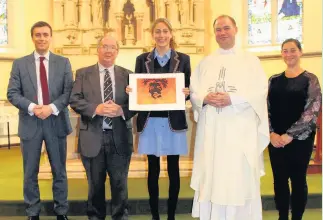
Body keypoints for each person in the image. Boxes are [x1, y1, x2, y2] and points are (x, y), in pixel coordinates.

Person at [190, 15, 270, 220]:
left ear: (236, 29)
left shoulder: (251, 61)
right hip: (213, 133)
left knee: (237, 176)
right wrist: (205, 98)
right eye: (218, 29)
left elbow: (260, 92)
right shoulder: (206, 62)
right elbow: (194, 91)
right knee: (214, 175)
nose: (222, 33)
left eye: (226, 28)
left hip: (239, 132)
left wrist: (232, 99)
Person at [7, 21, 73, 220]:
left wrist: (51, 108)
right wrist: (32, 108)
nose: (42, 38)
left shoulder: (63, 62)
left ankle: (61, 211)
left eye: (45, 34)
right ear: (32, 37)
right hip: (30, 123)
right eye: (38, 35)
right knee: (30, 173)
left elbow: (68, 91)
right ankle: (32, 212)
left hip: (56, 122)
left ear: (51, 37)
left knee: (59, 171)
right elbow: (12, 93)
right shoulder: (19, 63)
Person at [127, 18, 191, 220]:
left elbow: (188, 89)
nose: (161, 35)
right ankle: (155, 215)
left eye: (165, 31)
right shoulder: (142, 59)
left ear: (171, 34)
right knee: (152, 169)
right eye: (157, 32)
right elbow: (138, 88)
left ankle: (171, 215)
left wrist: (187, 91)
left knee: (173, 168)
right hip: (150, 121)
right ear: (152, 35)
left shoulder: (184, 59)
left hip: (173, 121)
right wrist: (132, 90)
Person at [69, 35, 134, 220]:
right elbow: (74, 99)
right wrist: (95, 108)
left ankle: (120, 217)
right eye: (104, 46)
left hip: (119, 138)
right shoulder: (82, 73)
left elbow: (137, 104)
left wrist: (121, 110)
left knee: (120, 185)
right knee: (95, 186)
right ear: (97, 49)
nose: (108, 50)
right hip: (92, 137)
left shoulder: (129, 75)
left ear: (117, 51)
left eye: (112, 47)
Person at [267, 38, 322, 220]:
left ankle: (297, 217)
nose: (288, 54)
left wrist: (290, 134)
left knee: (298, 181)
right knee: (279, 182)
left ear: (300, 52)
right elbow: (265, 108)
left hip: (300, 140)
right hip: (276, 140)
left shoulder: (310, 79)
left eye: (292, 50)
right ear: (281, 54)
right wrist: (271, 133)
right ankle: (282, 216)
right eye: (285, 51)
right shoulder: (273, 80)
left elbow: (312, 110)